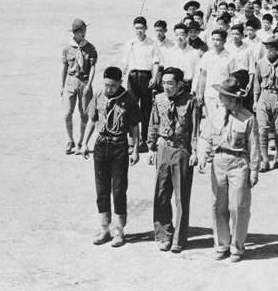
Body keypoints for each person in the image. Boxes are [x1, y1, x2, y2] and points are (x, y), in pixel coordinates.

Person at [197, 76, 259, 262]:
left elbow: (254, 146)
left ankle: (237, 248)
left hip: (239, 163)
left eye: (223, 96)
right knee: (218, 206)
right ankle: (221, 244)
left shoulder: (248, 118)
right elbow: (205, 137)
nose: (220, 99)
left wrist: (254, 170)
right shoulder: (215, 115)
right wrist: (202, 155)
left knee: (238, 207)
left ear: (233, 98)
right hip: (219, 162)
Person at [78, 66, 141, 248]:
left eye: (112, 85)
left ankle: (119, 231)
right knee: (101, 189)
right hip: (101, 145)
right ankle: (104, 228)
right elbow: (91, 119)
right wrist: (84, 143)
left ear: (120, 83)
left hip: (119, 146)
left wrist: (135, 149)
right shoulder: (98, 95)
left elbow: (135, 126)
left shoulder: (128, 99)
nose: (109, 89)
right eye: (106, 84)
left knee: (119, 190)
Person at [148, 67, 199, 253]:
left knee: (181, 197)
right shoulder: (159, 99)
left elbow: (195, 128)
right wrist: (152, 147)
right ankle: (164, 235)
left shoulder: (191, 101)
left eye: (170, 83)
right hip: (163, 148)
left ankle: (179, 238)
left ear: (180, 84)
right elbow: (153, 123)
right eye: (164, 83)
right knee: (161, 194)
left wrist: (194, 151)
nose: (166, 87)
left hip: (182, 150)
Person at [253, 36, 278, 172]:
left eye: (272, 48)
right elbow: (256, 83)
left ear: (277, 49)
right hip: (264, 96)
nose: (269, 51)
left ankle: (277, 157)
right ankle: (264, 160)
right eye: (267, 48)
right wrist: (255, 101)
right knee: (262, 130)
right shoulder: (260, 63)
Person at [122, 16, 160, 152]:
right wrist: (122, 76)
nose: (139, 31)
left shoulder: (152, 44)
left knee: (146, 110)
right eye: (137, 28)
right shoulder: (130, 44)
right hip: (132, 77)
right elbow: (124, 62)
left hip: (146, 77)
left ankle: (144, 140)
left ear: (146, 29)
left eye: (141, 28)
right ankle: (132, 141)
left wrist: (154, 77)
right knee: (131, 109)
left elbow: (156, 62)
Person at [61, 18, 97, 154]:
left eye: (85, 30)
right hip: (70, 81)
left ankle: (82, 142)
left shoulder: (90, 47)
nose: (84, 34)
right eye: (81, 31)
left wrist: (89, 84)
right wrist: (62, 86)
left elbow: (93, 67)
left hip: (84, 82)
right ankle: (70, 140)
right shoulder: (67, 48)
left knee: (85, 114)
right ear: (75, 33)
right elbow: (64, 67)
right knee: (67, 113)